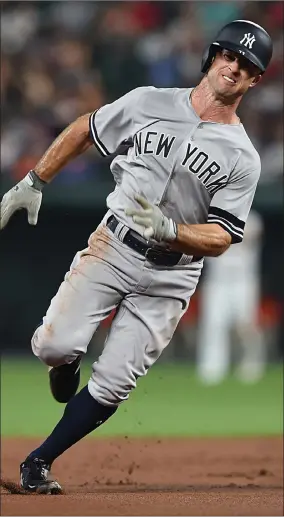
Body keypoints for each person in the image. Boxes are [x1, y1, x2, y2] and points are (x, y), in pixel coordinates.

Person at [0, 20, 273, 494]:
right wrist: (35, 179)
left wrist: (173, 230)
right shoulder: (149, 101)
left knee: (112, 384)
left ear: (254, 80)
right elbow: (87, 129)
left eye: (246, 65)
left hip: (172, 276)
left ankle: (38, 461)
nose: (233, 67)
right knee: (52, 347)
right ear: (212, 57)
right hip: (113, 246)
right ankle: (64, 365)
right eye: (228, 56)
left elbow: (223, 236)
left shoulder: (243, 158)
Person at [196, 209, 265, 384]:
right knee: (214, 324)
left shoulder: (253, 218)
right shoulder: (211, 218)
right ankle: (212, 368)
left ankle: (252, 364)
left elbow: (244, 237)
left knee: (246, 324)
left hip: (243, 280)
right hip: (217, 280)